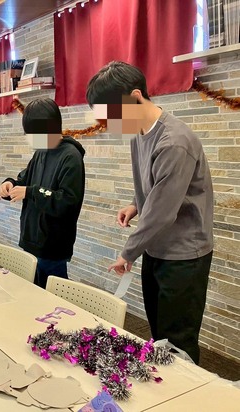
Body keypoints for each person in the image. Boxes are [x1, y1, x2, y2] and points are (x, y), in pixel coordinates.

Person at [86, 61, 214, 364]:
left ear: (135, 97)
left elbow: (161, 213)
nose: (111, 123)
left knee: (177, 341)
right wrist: (135, 203)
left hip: (184, 254)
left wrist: (128, 252)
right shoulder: (138, 131)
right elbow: (155, 184)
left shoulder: (174, 142)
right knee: (158, 334)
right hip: (156, 246)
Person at [0, 98, 85, 288]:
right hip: (31, 238)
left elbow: (67, 201)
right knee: (33, 292)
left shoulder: (70, 156)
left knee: (55, 296)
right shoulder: (41, 152)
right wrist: (9, 184)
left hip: (53, 244)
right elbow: (24, 180)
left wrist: (31, 192)